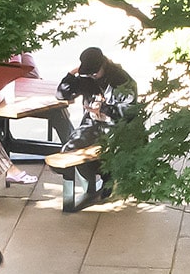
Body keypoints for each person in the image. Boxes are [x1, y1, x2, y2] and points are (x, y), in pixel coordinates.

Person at [56, 46, 139, 203]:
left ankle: (108, 174)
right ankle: (101, 175)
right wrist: (72, 73)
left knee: (105, 151)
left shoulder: (122, 81)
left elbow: (129, 112)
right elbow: (61, 93)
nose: (92, 76)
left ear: (103, 66)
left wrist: (104, 108)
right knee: (69, 153)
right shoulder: (88, 77)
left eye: (94, 73)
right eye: (88, 73)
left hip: (116, 128)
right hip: (92, 125)